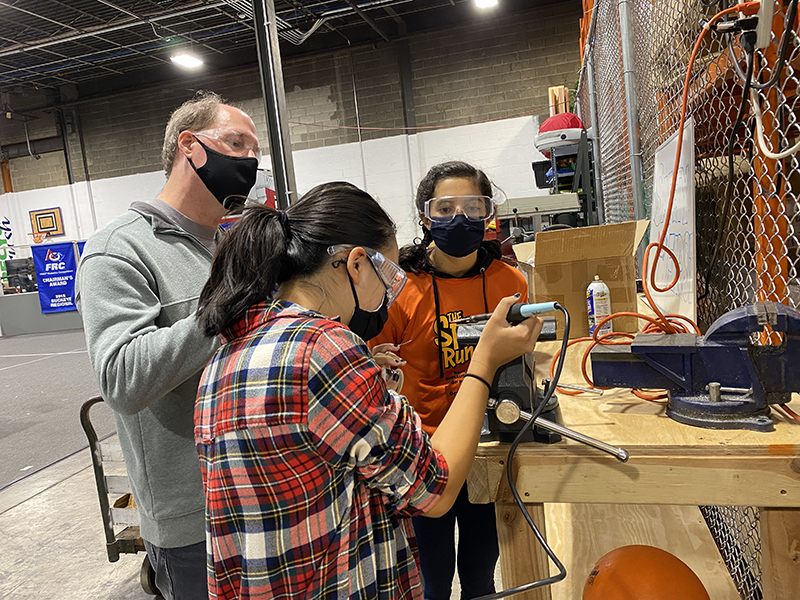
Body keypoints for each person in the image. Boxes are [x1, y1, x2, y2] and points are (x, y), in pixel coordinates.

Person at [193, 181, 543, 600]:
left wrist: (375, 392)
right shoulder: (326, 348)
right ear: (356, 263)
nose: (391, 293)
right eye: (390, 276)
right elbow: (435, 489)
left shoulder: (230, 351)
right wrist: (484, 361)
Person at [76, 91, 261, 600]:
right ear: (190, 146)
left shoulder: (226, 248)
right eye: (236, 142)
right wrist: (225, 308)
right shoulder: (119, 249)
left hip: (261, 493)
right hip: (193, 523)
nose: (250, 159)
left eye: (255, 151)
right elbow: (122, 378)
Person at [369, 161, 529, 600]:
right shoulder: (400, 288)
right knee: (430, 580)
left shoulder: (510, 283)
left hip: (489, 449)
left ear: (488, 213)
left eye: (473, 206)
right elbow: (377, 368)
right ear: (425, 217)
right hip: (425, 452)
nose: (459, 218)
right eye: (445, 208)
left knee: (481, 570)